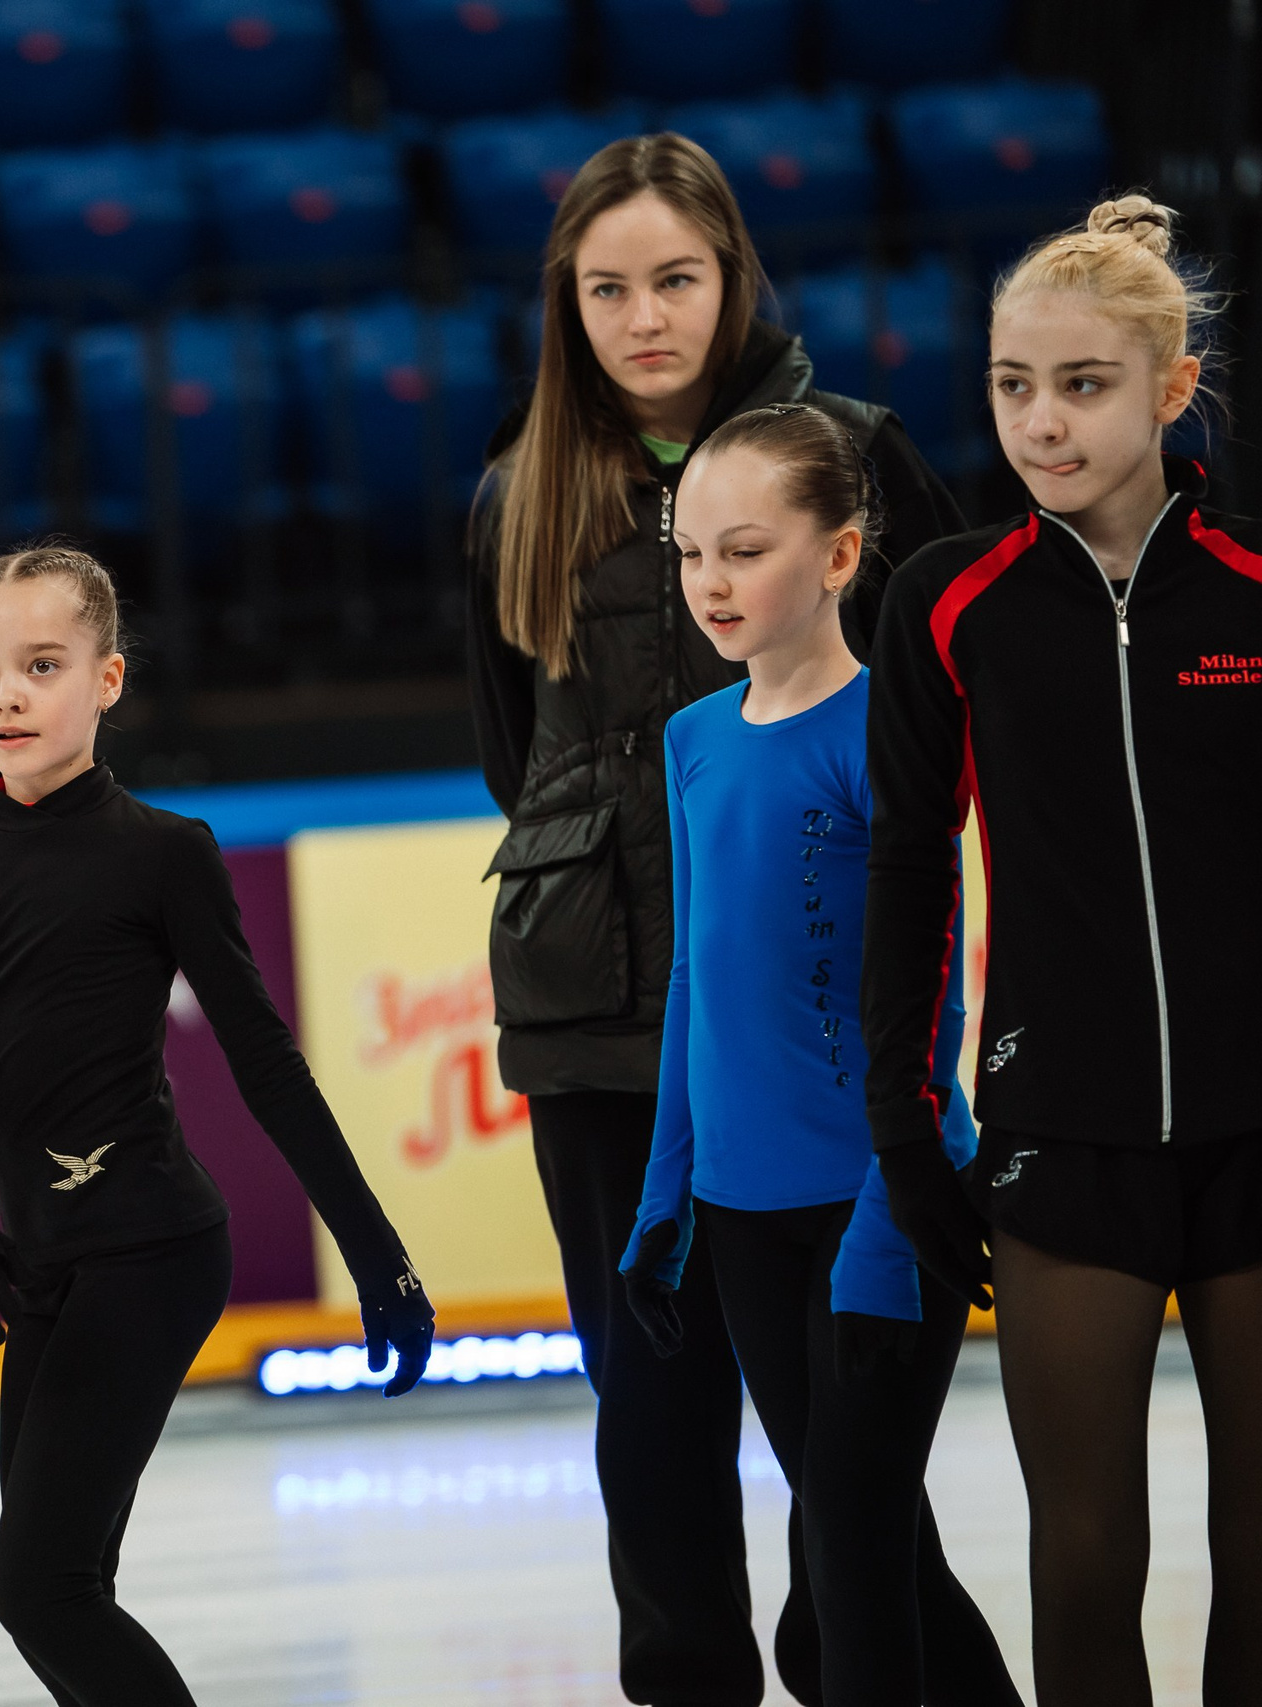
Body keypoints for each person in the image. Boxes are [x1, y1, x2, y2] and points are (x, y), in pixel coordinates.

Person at [464, 131, 966, 1706]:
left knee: (844, 1422)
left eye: (675, 277)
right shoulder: (513, 495)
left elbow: (939, 717)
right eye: (607, 287)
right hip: (600, 1027)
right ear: (570, 306)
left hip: (808, 1034)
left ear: (732, 275)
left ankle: (869, 1671)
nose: (644, 315)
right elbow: (512, 749)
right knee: (650, 1401)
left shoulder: (856, 455)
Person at [0, 543, 437, 1707]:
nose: (7, 696)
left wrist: (377, 1251)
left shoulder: (164, 853)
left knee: (42, 1591)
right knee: (66, 1582)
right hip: (39, 1268)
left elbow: (267, 1068)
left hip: (153, 1251)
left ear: (108, 679)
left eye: (40, 664)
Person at [862, 196, 1262, 1707]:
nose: (1041, 420)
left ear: (1171, 389)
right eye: (1013, 384)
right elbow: (907, 870)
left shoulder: (1252, 593)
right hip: (1062, 1137)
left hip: (1258, 1132)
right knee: (1086, 1557)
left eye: (1083, 384)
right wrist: (906, 1126)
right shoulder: (948, 603)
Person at [616, 405, 1021, 1706]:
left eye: (744, 549)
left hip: (881, 1201)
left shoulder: (883, 737)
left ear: (842, 553)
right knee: (873, 1541)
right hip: (741, 1214)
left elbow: (932, 990)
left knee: (848, 1560)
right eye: (689, 555)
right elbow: (694, 977)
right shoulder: (691, 740)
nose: (711, 584)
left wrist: (883, 1213)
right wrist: (663, 1196)